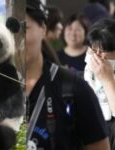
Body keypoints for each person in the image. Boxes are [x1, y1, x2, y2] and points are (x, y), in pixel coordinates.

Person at [26, 0, 110, 150]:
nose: (15, 37)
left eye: (24, 27)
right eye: (70, 28)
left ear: (43, 29)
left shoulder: (74, 87)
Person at [84, 18, 115, 150]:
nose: (96, 56)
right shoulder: (85, 72)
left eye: (102, 51)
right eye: (92, 50)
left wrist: (107, 79)